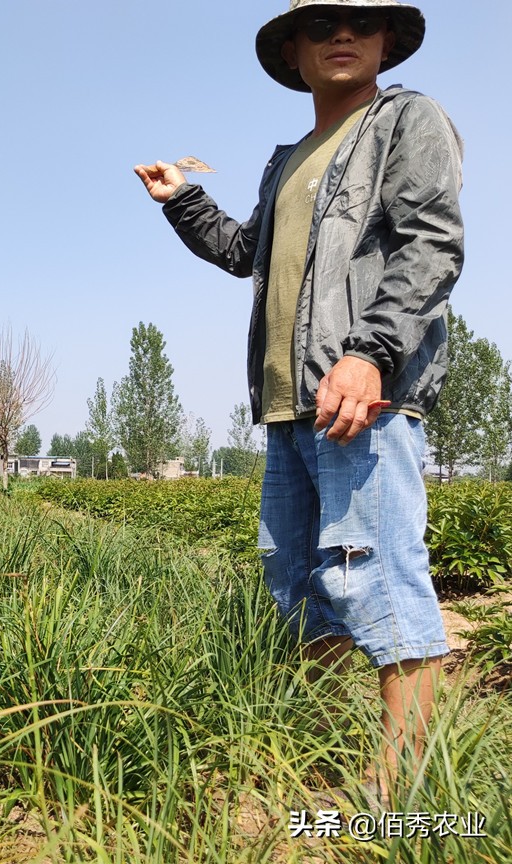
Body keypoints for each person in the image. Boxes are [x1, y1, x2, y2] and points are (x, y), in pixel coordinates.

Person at [134, 0, 463, 791]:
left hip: (363, 400)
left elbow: (432, 244)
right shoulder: (289, 159)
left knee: (377, 578)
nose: (341, 34)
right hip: (290, 407)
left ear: (386, 39)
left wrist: (370, 355)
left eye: (359, 21)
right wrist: (181, 198)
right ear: (293, 48)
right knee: (297, 590)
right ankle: (308, 759)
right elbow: (248, 252)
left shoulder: (406, 120)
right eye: (320, 25)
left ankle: (401, 793)